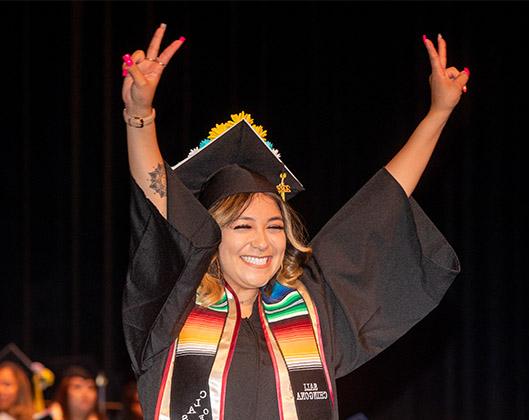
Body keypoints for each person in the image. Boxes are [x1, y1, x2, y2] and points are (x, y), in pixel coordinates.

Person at [121, 23, 467, 420]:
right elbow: (156, 203)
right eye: (242, 225)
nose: (262, 242)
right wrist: (139, 115)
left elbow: (379, 209)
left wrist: (438, 114)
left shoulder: (310, 307)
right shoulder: (171, 309)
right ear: (207, 236)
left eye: (274, 226)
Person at [35, 366, 104, 420]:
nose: (85, 393)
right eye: (77, 387)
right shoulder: (47, 418)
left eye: (91, 387)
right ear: (64, 393)